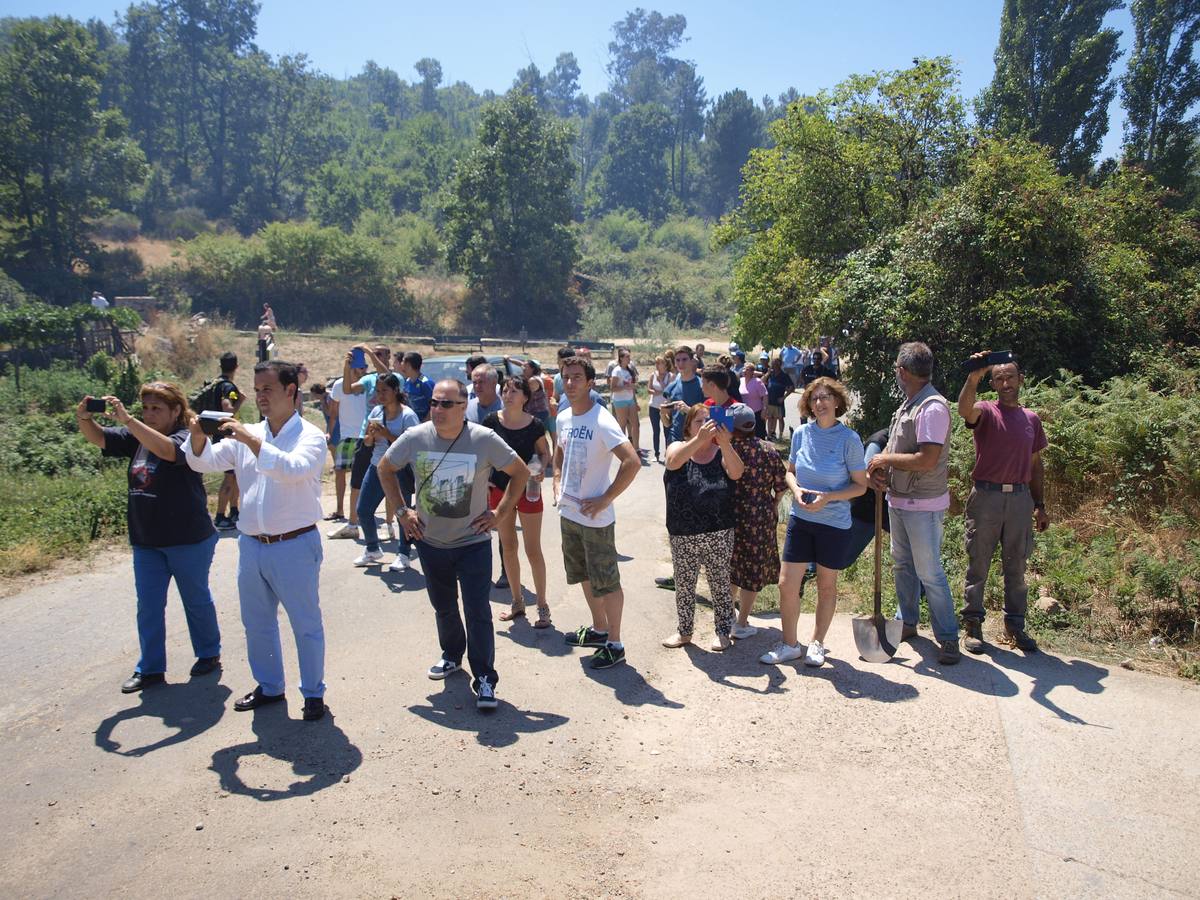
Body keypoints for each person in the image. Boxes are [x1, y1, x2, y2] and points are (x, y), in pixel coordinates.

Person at [184, 360, 329, 722]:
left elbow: (292, 469)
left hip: (295, 544)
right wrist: (198, 436)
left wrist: (249, 439)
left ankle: (313, 694)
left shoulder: (309, 436)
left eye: (268, 389)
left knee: (305, 623)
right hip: (252, 545)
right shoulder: (245, 432)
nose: (260, 396)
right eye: (257, 389)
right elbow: (204, 462)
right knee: (257, 622)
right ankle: (269, 687)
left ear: (290, 391)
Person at [377, 379, 529, 711]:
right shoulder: (415, 437)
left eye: (446, 404)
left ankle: (485, 678)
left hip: (473, 542)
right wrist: (403, 511)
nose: (438, 410)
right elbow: (385, 468)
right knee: (444, 608)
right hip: (431, 543)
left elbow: (520, 472)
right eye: (434, 403)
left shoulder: (483, 439)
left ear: (464, 406)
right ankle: (451, 656)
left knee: (477, 612)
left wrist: (500, 513)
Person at [77, 383, 221, 693]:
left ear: (176, 411)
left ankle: (209, 653)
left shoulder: (186, 437)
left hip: (188, 537)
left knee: (195, 600)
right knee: (149, 606)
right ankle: (151, 668)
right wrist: (85, 419)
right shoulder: (136, 437)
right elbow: (100, 438)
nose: (150, 414)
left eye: (157, 409)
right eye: (146, 409)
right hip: (147, 539)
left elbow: (168, 451)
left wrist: (129, 420)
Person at [760, 377, 869, 668]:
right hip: (801, 519)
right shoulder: (801, 434)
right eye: (815, 398)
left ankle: (818, 643)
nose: (819, 403)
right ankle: (790, 644)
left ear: (837, 402)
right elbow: (790, 471)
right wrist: (794, 490)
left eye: (825, 398)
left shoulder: (849, 440)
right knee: (786, 584)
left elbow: (861, 486)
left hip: (833, 524)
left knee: (826, 586)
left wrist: (829, 497)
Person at [866, 342, 961, 665]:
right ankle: (908, 622)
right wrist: (883, 474)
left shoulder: (931, 407)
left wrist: (884, 458)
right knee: (903, 566)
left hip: (923, 504)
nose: (896, 372)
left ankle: (947, 637)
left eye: (896, 368)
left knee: (929, 571)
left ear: (903, 372)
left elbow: (926, 459)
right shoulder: (910, 404)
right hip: (900, 500)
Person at [956, 351, 1048, 653]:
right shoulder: (986, 411)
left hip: (1021, 499)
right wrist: (974, 377)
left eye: (1010, 376)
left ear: (1020, 380)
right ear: (993, 384)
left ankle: (1015, 626)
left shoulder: (1031, 420)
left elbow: (1035, 465)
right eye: (999, 378)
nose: (1005, 382)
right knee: (978, 563)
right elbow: (964, 410)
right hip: (986, 497)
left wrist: (1040, 504)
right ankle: (972, 625)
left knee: (1016, 565)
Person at [554, 355, 641, 669]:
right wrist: (555, 482)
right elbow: (559, 454)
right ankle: (599, 629)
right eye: (566, 377)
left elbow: (632, 462)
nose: (570, 383)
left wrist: (606, 498)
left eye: (577, 377)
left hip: (596, 519)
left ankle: (615, 644)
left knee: (607, 580)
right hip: (570, 514)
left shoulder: (602, 419)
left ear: (590, 382)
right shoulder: (563, 417)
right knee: (583, 576)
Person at [661, 403, 745, 651]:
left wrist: (725, 442)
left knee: (719, 583)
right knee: (685, 585)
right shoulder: (678, 447)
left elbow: (737, 473)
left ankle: (722, 631)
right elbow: (673, 462)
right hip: (682, 532)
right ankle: (684, 631)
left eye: (710, 420)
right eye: (699, 421)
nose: (706, 425)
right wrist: (699, 440)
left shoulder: (722, 452)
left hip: (718, 530)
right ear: (688, 427)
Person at [483, 376, 553, 626]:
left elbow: (545, 452)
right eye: (505, 389)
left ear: (525, 397)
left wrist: (542, 467)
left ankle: (542, 606)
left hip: (528, 489)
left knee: (533, 549)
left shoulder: (534, 424)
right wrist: (485, 480)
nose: (508, 394)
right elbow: (482, 453)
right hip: (499, 490)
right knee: (508, 547)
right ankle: (517, 602)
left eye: (514, 390)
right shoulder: (491, 421)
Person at [728, 407, 789, 640]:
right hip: (760, 517)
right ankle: (742, 622)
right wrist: (773, 502)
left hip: (733, 514)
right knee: (753, 568)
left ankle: (728, 616)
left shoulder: (729, 450)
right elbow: (782, 485)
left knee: (732, 565)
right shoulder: (769, 449)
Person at [352, 373, 420, 569]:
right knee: (363, 509)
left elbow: (412, 446)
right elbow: (367, 442)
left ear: (396, 391)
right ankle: (372, 548)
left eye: (384, 390)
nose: (379, 395)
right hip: (376, 466)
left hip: (399, 469)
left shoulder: (407, 415)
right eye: (377, 390)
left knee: (403, 512)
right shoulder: (376, 411)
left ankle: (404, 554)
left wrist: (387, 434)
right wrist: (371, 436)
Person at [330, 344, 392, 540]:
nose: (371, 360)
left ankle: (389, 525)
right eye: (374, 354)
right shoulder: (367, 380)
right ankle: (352, 523)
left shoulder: (394, 378)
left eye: (380, 354)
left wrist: (370, 353)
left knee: (390, 481)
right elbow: (347, 390)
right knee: (355, 480)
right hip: (365, 437)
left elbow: (385, 373)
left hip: (387, 435)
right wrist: (347, 365)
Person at [197, 352, 245, 532]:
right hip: (227, 435)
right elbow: (228, 408)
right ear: (236, 366)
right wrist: (239, 401)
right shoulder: (228, 387)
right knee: (230, 477)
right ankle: (220, 516)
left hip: (217, 433)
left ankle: (234, 512)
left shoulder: (216, 384)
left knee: (234, 476)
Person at [326, 358, 368, 529]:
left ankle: (362, 510)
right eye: (359, 366)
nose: (362, 369)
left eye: (364, 366)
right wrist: (329, 431)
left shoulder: (367, 383)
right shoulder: (339, 385)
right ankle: (340, 509)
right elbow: (333, 412)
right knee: (340, 471)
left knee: (362, 476)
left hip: (364, 435)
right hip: (346, 436)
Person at [661, 345, 705, 444]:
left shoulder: (703, 386)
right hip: (675, 440)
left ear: (692, 361)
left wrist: (689, 410)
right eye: (678, 360)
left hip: (696, 441)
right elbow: (667, 423)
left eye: (684, 359)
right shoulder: (671, 387)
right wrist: (662, 414)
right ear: (674, 363)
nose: (681, 363)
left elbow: (709, 417)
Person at [608, 347, 642, 457]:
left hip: (630, 399)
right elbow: (613, 388)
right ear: (621, 358)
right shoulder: (616, 370)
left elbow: (632, 386)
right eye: (627, 357)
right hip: (620, 401)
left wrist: (635, 400)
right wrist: (625, 386)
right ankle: (623, 450)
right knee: (622, 425)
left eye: (629, 356)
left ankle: (636, 448)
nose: (629, 358)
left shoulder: (630, 369)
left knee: (635, 424)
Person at [647, 355, 675, 463]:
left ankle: (668, 452)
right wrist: (656, 392)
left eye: (660, 363)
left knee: (667, 430)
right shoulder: (652, 375)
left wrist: (661, 382)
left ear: (665, 364)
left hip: (665, 407)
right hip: (653, 405)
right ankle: (656, 454)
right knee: (656, 430)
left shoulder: (671, 376)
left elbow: (668, 391)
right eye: (656, 363)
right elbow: (649, 389)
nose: (658, 366)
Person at [764, 357, 795, 441]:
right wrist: (768, 373)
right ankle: (770, 434)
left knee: (780, 418)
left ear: (779, 365)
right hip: (770, 400)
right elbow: (762, 381)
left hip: (779, 401)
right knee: (769, 417)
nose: (773, 365)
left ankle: (780, 436)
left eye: (775, 364)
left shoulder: (784, 375)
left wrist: (784, 397)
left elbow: (792, 388)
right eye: (773, 364)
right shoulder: (770, 374)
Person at [398, 352, 434, 422]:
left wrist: (423, 423)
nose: (401, 364)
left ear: (408, 365)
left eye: (402, 361)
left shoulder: (425, 383)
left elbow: (433, 406)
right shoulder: (407, 381)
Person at [520, 359, 552, 431]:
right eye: (522, 366)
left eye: (525, 367)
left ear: (532, 369)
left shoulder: (533, 380)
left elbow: (527, 397)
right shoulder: (533, 378)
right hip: (538, 412)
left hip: (537, 412)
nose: (523, 368)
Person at [740, 365, 768, 438]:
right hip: (744, 413)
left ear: (752, 372)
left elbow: (765, 396)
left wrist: (764, 410)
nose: (744, 371)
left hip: (756, 413)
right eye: (744, 369)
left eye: (747, 369)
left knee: (758, 435)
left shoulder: (757, 382)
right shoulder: (740, 380)